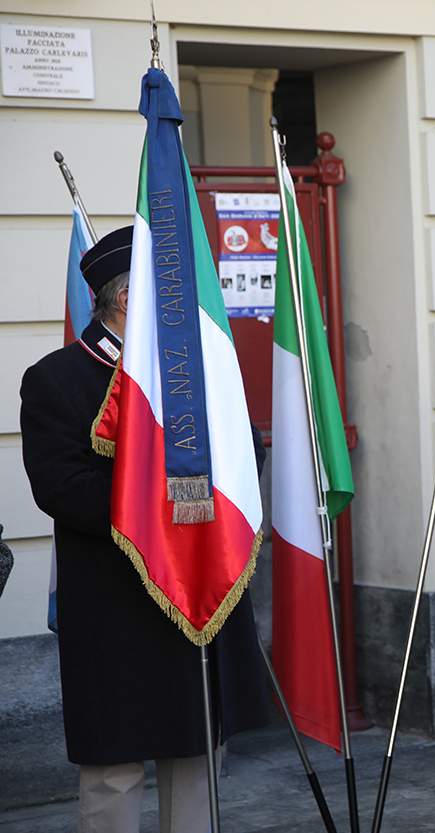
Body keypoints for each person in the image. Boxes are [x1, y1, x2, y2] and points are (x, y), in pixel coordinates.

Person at [19, 226, 270, 833]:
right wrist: (164, 499)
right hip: (115, 603)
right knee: (114, 767)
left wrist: (199, 489)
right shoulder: (56, 378)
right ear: (129, 298)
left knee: (195, 754)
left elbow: (243, 452)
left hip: (196, 592)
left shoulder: (196, 371)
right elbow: (61, 486)